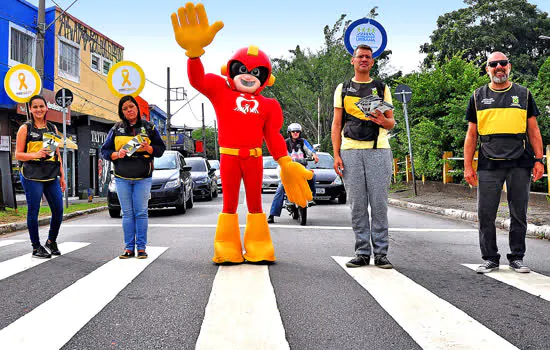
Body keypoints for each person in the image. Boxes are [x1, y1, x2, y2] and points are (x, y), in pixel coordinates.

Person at [171, 3, 312, 264]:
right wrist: (193, 54)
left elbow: (272, 135)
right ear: (231, 69)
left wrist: (285, 162)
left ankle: (259, 245)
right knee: (230, 204)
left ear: (266, 78)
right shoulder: (220, 90)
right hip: (229, 157)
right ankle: (226, 246)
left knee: (256, 203)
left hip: (254, 158)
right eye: (243, 70)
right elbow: (197, 79)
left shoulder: (269, 105)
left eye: (256, 73)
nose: (248, 76)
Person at [464, 52, 544, 274]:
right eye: (493, 64)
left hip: (520, 160)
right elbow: (471, 135)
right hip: (489, 161)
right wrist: (468, 166)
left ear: (509, 66)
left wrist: (539, 160)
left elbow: (534, 130)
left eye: (502, 63)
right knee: (485, 213)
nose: (498, 67)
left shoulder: (524, 94)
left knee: (519, 212)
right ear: (487, 68)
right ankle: (490, 258)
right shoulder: (477, 96)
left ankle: (516, 257)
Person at [331, 44, 395, 269]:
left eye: (368, 57)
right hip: (350, 150)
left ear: (372, 61)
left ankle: (381, 253)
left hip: (378, 149)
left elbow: (391, 121)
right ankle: (361, 252)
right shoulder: (343, 88)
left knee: (379, 204)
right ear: (353, 61)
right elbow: (337, 123)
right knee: (357, 204)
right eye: (360, 57)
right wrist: (336, 154)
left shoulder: (381, 87)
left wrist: (381, 120)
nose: (364, 60)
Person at [100, 95, 165, 259]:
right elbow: (105, 151)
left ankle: (141, 248)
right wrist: (117, 154)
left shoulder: (149, 128)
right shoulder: (116, 129)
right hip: (122, 177)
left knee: (141, 212)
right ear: (121, 112)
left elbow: (160, 149)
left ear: (137, 108)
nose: (129, 110)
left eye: (131, 107)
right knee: (127, 213)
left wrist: (149, 148)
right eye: (125, 108)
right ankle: (129, 248)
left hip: (143, 177)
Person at [15, 95, 66, 258]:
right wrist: (35, 154)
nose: (38, 110)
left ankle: (51, 241)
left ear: (46, 108)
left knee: (58, 210)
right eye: (35, 107)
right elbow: (18, 154)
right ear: (30, 109)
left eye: (41, 106)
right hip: (32, 175)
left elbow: (57, 153)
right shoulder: (25, 128)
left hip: (51, 175)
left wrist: (62, 176)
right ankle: (36, 246)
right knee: (34, 210)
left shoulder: (52, 128)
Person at [268, 123, 319, 223]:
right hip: (288, 170)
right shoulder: (285, 143)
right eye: (293, 131)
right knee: (281, 188)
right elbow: (279, 152)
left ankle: (312, 197)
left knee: (313, 176)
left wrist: (314, 155)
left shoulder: (303, 142)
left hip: (302, 167)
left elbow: (310, 150)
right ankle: (272, 214)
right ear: (289, 133)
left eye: (297, 131)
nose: (295, 133)